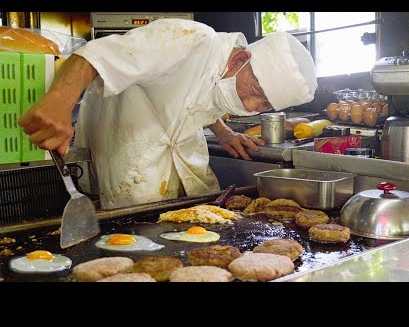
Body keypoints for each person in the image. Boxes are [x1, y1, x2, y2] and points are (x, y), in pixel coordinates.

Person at [18, 19, 318, 209]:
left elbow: (192, 98)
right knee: (133, 231)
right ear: (241, 59)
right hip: (131, 155)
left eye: (265, 106)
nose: (252, 107)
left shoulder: (231, 74)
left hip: (183, 161)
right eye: (255, 92)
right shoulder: (188, 39)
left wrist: (223, 131)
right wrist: (58, 103)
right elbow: (93, 57)